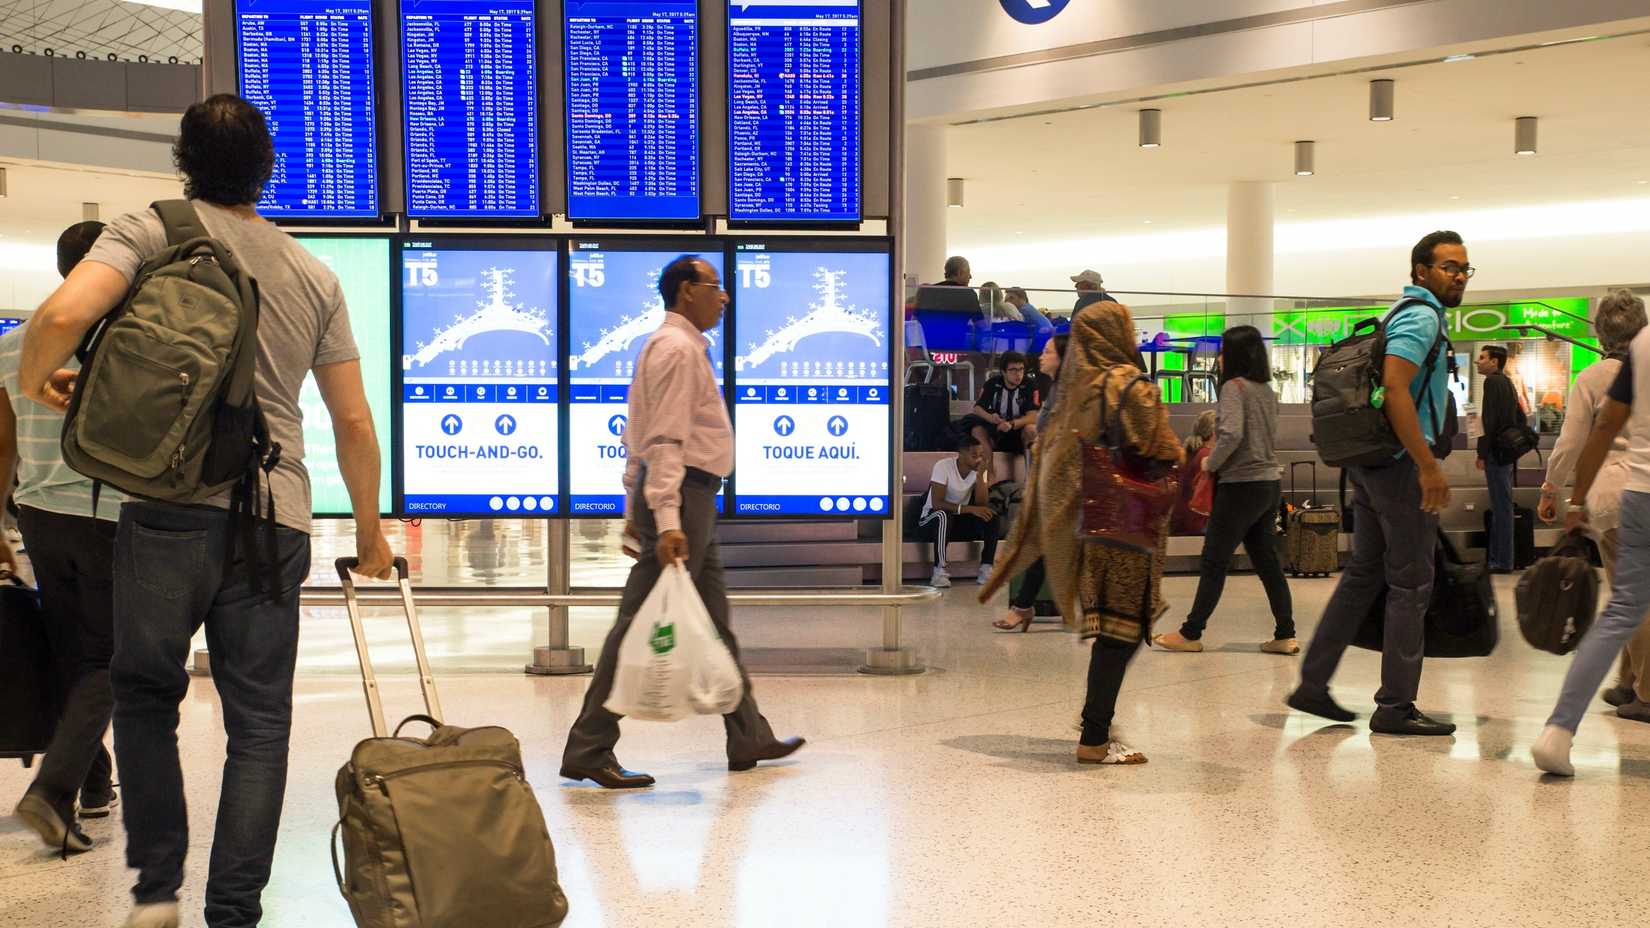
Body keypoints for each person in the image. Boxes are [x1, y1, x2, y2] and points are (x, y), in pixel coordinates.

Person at [18, 94, 392, 928]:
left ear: (184, 164)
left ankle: (157, 892)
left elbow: (64, 314)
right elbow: (354, 420)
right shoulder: (313, 273)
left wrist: (34, 381)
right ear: (268, 170)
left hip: (168, 506)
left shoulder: (151, 229)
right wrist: (368, 532)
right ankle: (234, 913)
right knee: (259, 724)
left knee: (145, 692)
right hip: (277, 517)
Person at [562, 255, 804, 790]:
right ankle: (588, 747)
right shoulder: (676, 349)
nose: (724, 297)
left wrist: (638, 506)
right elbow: (663, 440)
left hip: (690, 500)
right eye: (715, 287)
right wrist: (664, 518)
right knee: (637, 625)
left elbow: (639, 431)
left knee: (716, 623)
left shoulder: (677, 346)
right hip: (684, 500)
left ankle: (748, 735)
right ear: (687, 291)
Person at [983, 300, 1182, 765]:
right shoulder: (1130, 386)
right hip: (1128, 522)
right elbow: (1158, 447)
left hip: (1086, 522)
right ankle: (1094, 735)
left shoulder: (1069, 393)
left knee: (1117, 626)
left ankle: (1097, 725)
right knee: (1123, 629)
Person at [1286, 231, 1469, 737]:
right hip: (1400, 465)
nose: (1458, 276)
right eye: (1448, 267)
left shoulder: (1398, 313)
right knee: (1411, 583)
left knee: (1365, 575)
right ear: (1420, 271)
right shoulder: (1422, 316)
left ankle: (1313, 683)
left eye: (1464, 268)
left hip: (1371, 463)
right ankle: (1394, 705)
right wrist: (1427, 464)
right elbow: (1393, 387)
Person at [5, 220, 125, 856]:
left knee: (74, 650)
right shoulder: (128, 341)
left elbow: (2, 447)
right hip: (108, 516)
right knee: (109, 659)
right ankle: (52, 792)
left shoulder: (16, 342)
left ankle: (95, 785)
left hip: (40, 516)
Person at [1534, 316, 1650, 775]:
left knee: (1625, 604)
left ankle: (1559, 729)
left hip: (1632, 492)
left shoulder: (1641, 349)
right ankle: (1642, 690)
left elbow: (1599, 430)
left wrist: (1574, 498)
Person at [1154, 325, 1296, 655]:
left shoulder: (1234, 388)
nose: (1218, 357)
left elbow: (1231, 435)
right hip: (1267, 484)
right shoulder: (1266, 391)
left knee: (1214, 561)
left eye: (1223, 351)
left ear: (1235, 356)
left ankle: (1191, 633)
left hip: (1240, 486)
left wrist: (1210, 464)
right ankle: (1285, 633)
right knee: (1267, 563)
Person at [994, 334, 1066, 631]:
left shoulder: (1072, 391)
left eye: (1048, 352)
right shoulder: (1056, 389)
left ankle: (1025, 606)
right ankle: (1024, 606)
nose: (1041, 356)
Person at [915, 433, 1001, 589]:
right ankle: (939, 571)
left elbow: (982, 504)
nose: (979, 459)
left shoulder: (979, 471)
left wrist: (982, 475)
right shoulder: (943, 466)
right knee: (943, 515)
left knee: (990, 516)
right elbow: (937, 503)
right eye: (974, 455)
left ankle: (986, 568)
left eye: (981, 455)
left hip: (957, 521)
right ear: (961, 454)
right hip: (931, 521)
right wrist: (969, 509)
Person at [1475, 344, 1524, 572]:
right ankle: (1499, 558)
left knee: (1501, 508)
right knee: (1501, 506)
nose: (1478, 361)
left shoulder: (1492, 382)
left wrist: (1481, 453)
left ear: (1494, 362)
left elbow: (1489, 421)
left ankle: (1502, 561)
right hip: (1506, 452)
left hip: (1496, 453)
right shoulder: (1507, 383)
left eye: (1482, 357)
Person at [955, 351, 1041, 481]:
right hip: (996, 430)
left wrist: (1012, 424)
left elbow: (1034, 416)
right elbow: (977, 408)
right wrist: (991, 418)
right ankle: (988, 478)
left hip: (1018, 432)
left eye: (1021, 369)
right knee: (977, 430)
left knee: (1031, 430)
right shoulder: (993, 384)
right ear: (1003, 372)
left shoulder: (1029, 385)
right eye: (1013, 370)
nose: (1018, 374)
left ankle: (1031, 480)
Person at [1171, 410, 1217, 536]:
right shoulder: (1207, 457)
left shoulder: (1190, 452)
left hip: (1182, 517)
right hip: (1197, 522)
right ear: (1214, 432)